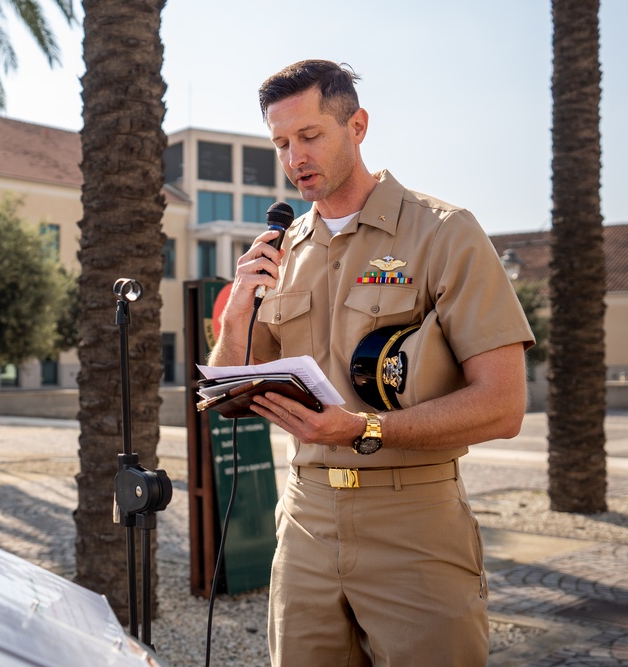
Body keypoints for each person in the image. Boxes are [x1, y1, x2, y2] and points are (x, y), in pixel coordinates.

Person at [207, 59, 534, 666]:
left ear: (356, 125)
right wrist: (234, 317)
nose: (294, 157)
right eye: (280, 143)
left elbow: (504, 404)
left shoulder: (444, 233)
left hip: (414, 520)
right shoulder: (280, 254)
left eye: (309, 136)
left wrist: (366, 428)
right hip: (304, 519)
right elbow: (233, 390)